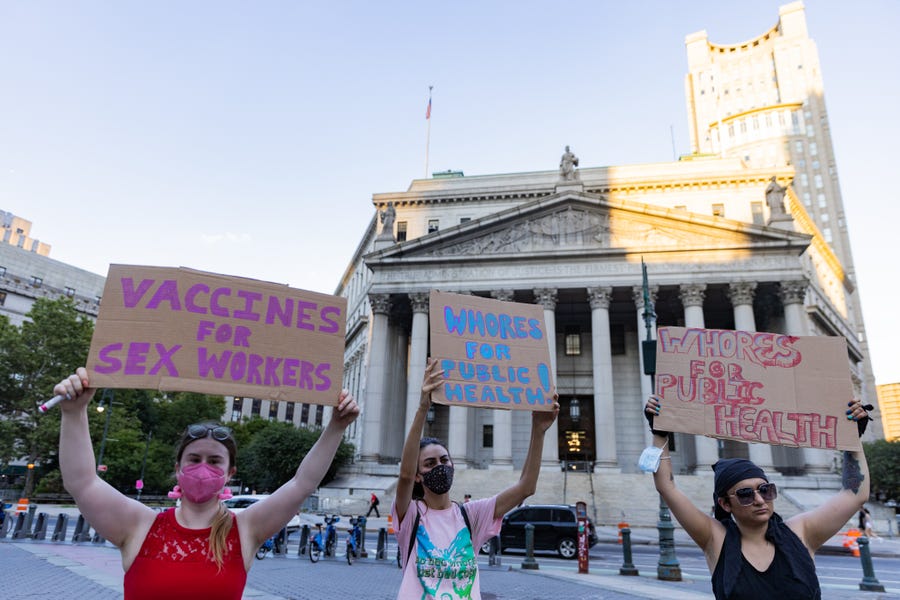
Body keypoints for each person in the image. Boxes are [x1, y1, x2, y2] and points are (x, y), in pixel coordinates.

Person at [54, 367, 359, 600]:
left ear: (230, 474)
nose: (203, 468)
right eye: (194, 459)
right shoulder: (139, 525)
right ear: (178, 468)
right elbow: (82, 482)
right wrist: (74, 412)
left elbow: (302, 484)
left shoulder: (245, 529)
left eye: (214, 462)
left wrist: (336, 427)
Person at [644, 394, 871, 600]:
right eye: (745, 494)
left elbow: (855, 494)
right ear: (725, 503)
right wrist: (659, 432)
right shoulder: (716, 539)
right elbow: (667, 487)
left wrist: (853, 439)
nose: (760, 500)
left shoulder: (801, 531)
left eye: (765, 489)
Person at [393, 358, 558, 599]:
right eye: (430, 464)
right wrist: (422, 408)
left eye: (444, 460)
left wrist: (538, 430)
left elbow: (526, 487)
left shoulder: (470, 516)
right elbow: (405, 475)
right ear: (419, 476)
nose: (440, 466)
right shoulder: (411, 514)